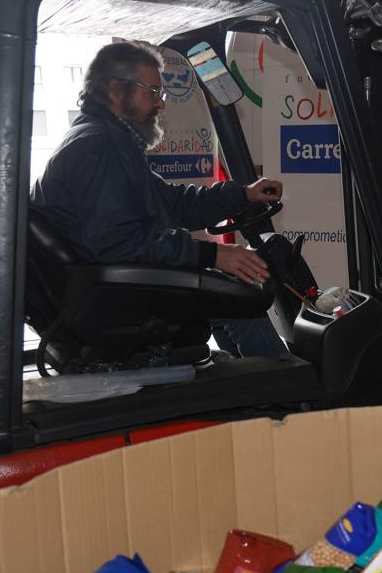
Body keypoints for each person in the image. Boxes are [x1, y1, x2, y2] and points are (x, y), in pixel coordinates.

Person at [31, 40, 288, 357]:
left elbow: (172, 202)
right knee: (243, 305)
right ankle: (291, 398)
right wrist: (212, 256)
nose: (160, 104)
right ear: (115, 90)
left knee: (224, 295)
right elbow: (118, 243)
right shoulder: (100, 148)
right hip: (110, 294)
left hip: (105, 286)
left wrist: (242, 194)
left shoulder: (105, 139)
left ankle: (244, 389)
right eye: (151, 93)